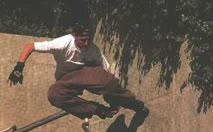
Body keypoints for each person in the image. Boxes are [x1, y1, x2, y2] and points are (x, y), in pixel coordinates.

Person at [8, 23, 149, 120]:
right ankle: (98, 110)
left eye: (88, 40)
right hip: (66, 79)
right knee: (54, 94)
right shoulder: (62, 43)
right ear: (74, 35)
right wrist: (19, 67)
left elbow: (107, 73)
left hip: (84, 73)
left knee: (109, 83)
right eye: (83, 40)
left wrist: (113, 95)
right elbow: (30, 46)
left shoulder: (93, 50)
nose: (86, 44)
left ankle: (134, 104)